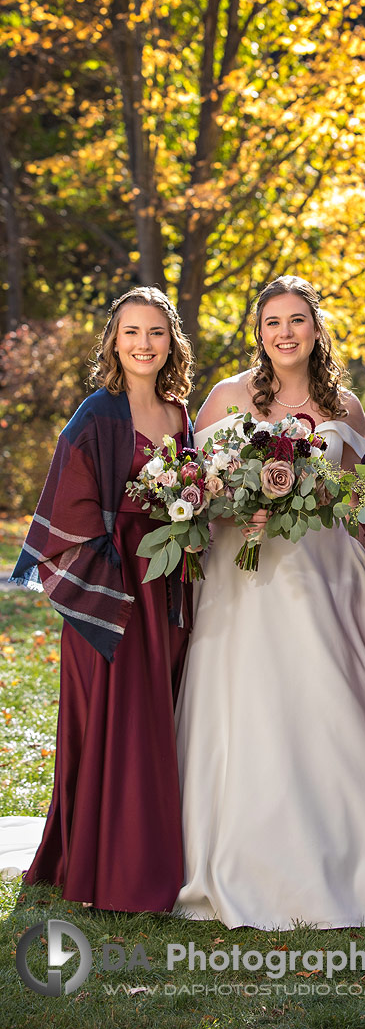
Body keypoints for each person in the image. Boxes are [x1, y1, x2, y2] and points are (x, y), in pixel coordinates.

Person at [173, 275, 365, 931]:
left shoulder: (349, 406)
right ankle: (237, 859)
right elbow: (194, 486)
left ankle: (359, 865)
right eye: (272, 321)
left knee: (330, 699)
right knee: (244, 706)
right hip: (238, 582)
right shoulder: (224, 397)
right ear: (259, 330)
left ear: (315, 328)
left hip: (323, 578)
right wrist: (235, 501)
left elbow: (363, 500)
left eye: (297, 320)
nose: (284, 332)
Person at [9, 286, 194, 911]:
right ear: (114, 340)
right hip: (111, 592)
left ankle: (150, 857)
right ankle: (103, 867)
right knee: (113, 724)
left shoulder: (179, 414)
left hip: (165, 586)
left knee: (155, 723)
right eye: (132, 333)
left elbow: (193, 493)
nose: (144, 345)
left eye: (156, 333)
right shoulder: (96, 415)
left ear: (172, 342)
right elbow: (70, 508)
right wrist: (126, 540)